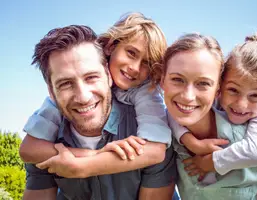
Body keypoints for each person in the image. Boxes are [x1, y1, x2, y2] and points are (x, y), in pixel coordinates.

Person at [21, 25, 177, 200]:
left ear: (107, 75)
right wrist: (93, 155)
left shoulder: (148, 128)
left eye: (91, 77)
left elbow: (155, 152)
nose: (83, 97)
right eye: (65, 83)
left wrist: (82, 167)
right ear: (51, 91)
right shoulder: (48, 133)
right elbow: (28, 151)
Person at [161, 33, 257, 199]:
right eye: (177, 79)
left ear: (216, 89)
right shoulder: (165, 131)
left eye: (203, 83)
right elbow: (169, 113)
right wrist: (189, 140)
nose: (188, 96)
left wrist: (212, 161)